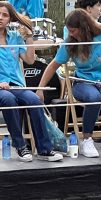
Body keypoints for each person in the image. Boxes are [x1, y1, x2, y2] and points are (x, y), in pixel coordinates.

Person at [37, 9, 101, 158]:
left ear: (84, 27)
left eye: (73, 30)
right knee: (94, 98)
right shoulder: (70, 42)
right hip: (83, 83)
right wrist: (40, 88)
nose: (70, 34)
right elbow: (54, 64)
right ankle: (87, 139)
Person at [0, 2, 63, 162]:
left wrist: (29, 37)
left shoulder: (14, 37)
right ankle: (20, 145)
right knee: (8, 99)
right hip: (1, 88)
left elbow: (29, 60)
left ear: (10, 19)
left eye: (5, 15)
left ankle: (44, 149)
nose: (0, 18)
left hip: (16, 86)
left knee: (35, 100)